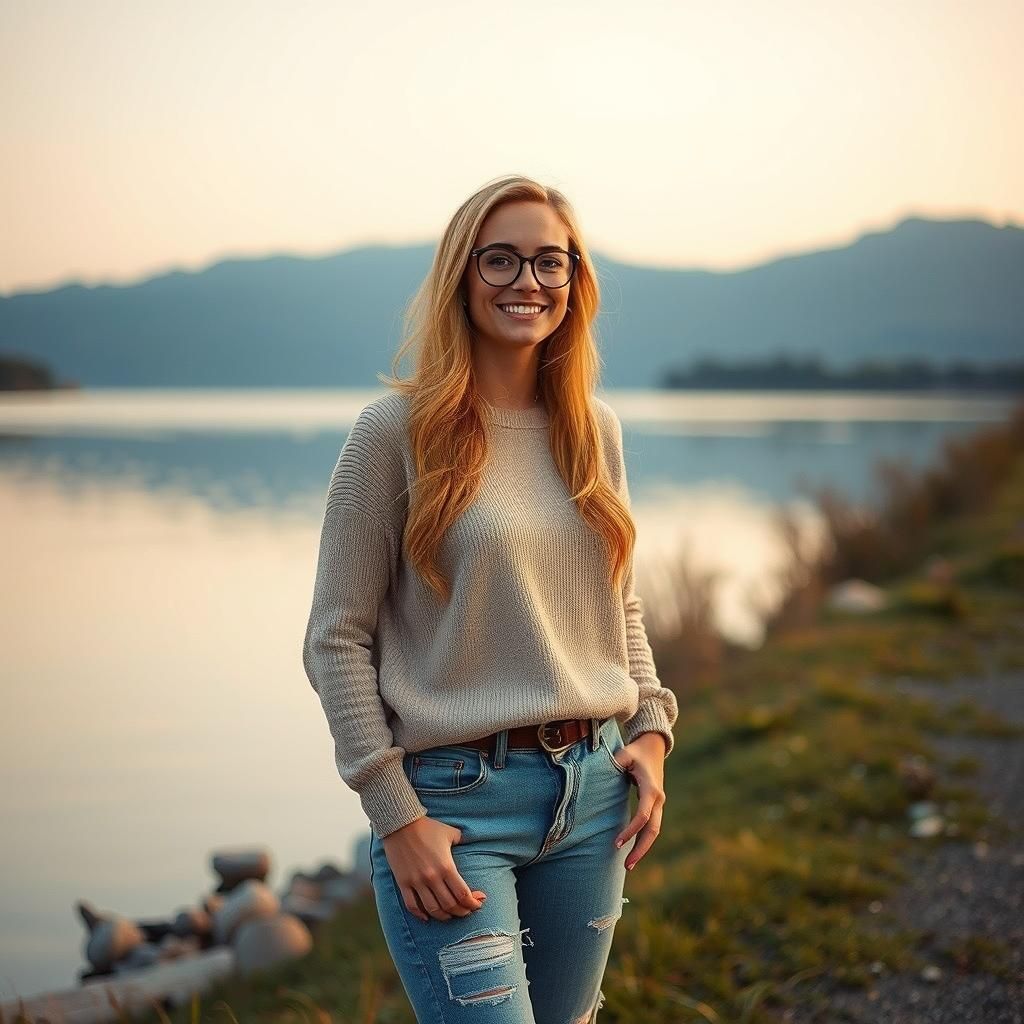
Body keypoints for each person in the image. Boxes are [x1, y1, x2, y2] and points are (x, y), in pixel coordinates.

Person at [302, 174, 678, 1023]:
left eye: (550, 261)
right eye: (500, 259)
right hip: (457, 809)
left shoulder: (594, 429)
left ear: (574, 281)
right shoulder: (394, 434)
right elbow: (334, 640)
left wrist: (651, 732)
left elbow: (616, 607)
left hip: (593, 801)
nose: (527, 281)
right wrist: (396, 814)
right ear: (462, 276)